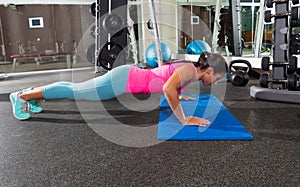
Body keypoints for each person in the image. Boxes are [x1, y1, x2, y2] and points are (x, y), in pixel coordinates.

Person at [9, 51, 228, 126]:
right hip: (122, 80)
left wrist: (180, 97)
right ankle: (21, 96)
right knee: (74, 91)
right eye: (217, 77)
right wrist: (184, 118)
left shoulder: (190, 70)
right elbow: (168, 89)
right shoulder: (190, 71)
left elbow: (168, 77)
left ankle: (33, 94)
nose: (216, 82)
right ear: (209, 71)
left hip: (125, 77)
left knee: (74, 88)